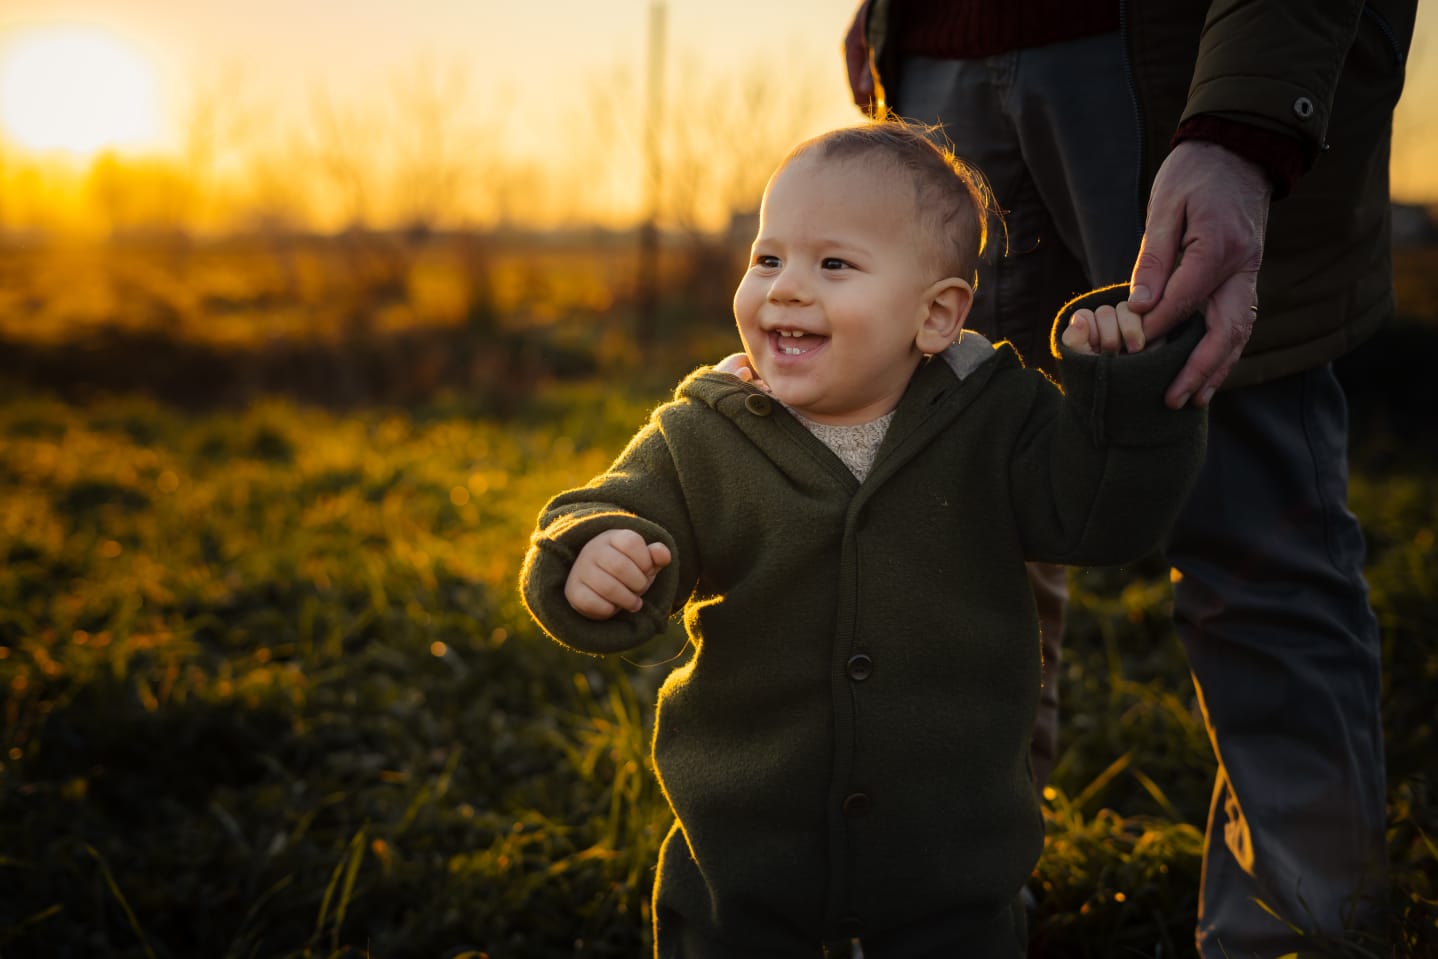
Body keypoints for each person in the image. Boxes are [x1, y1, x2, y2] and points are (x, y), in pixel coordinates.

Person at [521, 121, 1206, 958]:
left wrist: (1122, 397)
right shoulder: (706, 433)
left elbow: (1104, 516)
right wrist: (595, 550)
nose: (786, 290)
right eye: (767, 258)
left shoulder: (996, 419)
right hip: (743, 872)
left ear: (936, 316)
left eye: (832, 264)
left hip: (951, 875)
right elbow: (607, 506)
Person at [844, 0, 1416, 954]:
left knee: (1252, 538)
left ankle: (1296, 934)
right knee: (943, 539)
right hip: (941, 64)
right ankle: (951, 916)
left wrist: (1244, 119)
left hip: (1172, 56)